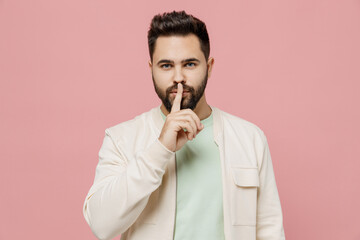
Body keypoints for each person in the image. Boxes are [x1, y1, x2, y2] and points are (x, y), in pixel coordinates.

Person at [83, 10, 285, 240]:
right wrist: (160, 149)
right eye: (166, 65)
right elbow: (101, 225)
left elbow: (270, 230)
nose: (178, 77)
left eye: (189, 64)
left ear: (209, 67)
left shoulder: (250, 139)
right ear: (151, 69)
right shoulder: (122, 138)